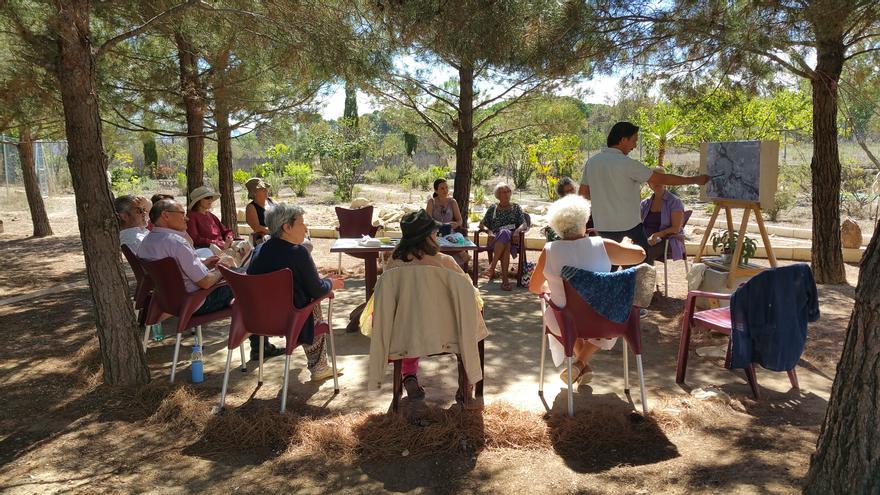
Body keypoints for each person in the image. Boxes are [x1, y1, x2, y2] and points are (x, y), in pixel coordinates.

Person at [139, 199, 283, 359]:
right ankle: (262, 345)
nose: (186, 218)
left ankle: (261, 345)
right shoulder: (176, 243)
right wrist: (222, 268)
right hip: (198, 301)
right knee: (253, 280)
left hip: (171, 301)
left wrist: (205, 264)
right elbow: (206, 282)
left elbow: (176, 272)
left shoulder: (147, 242)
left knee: (246, 276)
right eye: (182, 214)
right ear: (165, 215)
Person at [528, 195, 646, 384]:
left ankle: (579, 363)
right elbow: (640, 255)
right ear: (584, 220)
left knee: (560, 310)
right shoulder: (603, 245)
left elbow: (534, 287)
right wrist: (625, 245)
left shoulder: (549, 250)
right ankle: (581, 363)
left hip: (566, 322)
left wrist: (550, 290)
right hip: (608, 321)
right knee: (595, 309)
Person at [379, 209, 484, 403]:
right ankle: (466, 382)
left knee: (410, 318)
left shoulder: (395, 263)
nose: (437, 236)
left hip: (406, 333)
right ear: (427, 238)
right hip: (445, 332)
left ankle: (408, 374)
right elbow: (467, 294)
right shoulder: (446, 262)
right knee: (470, 314)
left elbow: (388, 302)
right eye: (435, 233)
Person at [579, 122, 708, 259]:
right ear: (623, 140)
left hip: (602, 227)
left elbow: (583, 194)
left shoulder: (592, 162)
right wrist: (695, 180)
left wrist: (605, 197)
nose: (634, 146)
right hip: (629, 229)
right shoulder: (628, 164)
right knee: (642, 272)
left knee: (608, 272)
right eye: (634, 141)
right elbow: (661, 179)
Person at [246, 203, 344, 380]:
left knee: (305, 295)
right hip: (292, 321)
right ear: (287, 227)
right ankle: (319, 367)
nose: (305, 227)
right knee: (314, 301)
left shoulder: (259, 250)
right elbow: (317, 289)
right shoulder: (298, 253)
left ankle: (319, 366)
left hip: (258, 321)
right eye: (301, 223)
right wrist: (330, 283)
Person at [479, 182, 528, 291]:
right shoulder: (493, 208)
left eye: (507, 191)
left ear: (510, 193)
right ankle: (504, 281)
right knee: (505, 238)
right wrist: (489, 232)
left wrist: (517, 231)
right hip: (496, 239)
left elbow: (524, 224)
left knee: (506, 234)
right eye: (502, 192)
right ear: (497, 195)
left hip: (512, 237)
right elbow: (482, 225)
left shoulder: (516, 207)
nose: (505, 194)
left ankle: (492, 268)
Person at [640, 167, 686, 266]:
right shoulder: (645, 203)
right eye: (654, 180)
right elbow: (637, 223)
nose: (657, 182)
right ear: (648, 183)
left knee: (643, 253)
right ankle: (634, 279)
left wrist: (657, 235)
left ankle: (645, 279)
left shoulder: (674, 202)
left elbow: (676, 228)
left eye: (661, 179)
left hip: (668, 240)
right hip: (647, 240)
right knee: (629, 251)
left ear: (666, 181)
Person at [186, 186, 234, 250]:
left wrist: (229, 237)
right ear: (198, 201)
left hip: (222, 245)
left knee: (245, 246)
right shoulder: (191, 216)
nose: (211, 200)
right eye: (207, 198)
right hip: (207, 249)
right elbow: (195, 239)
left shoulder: (211, 215)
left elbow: (225, 231)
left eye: (211, 198)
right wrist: (216, 243)